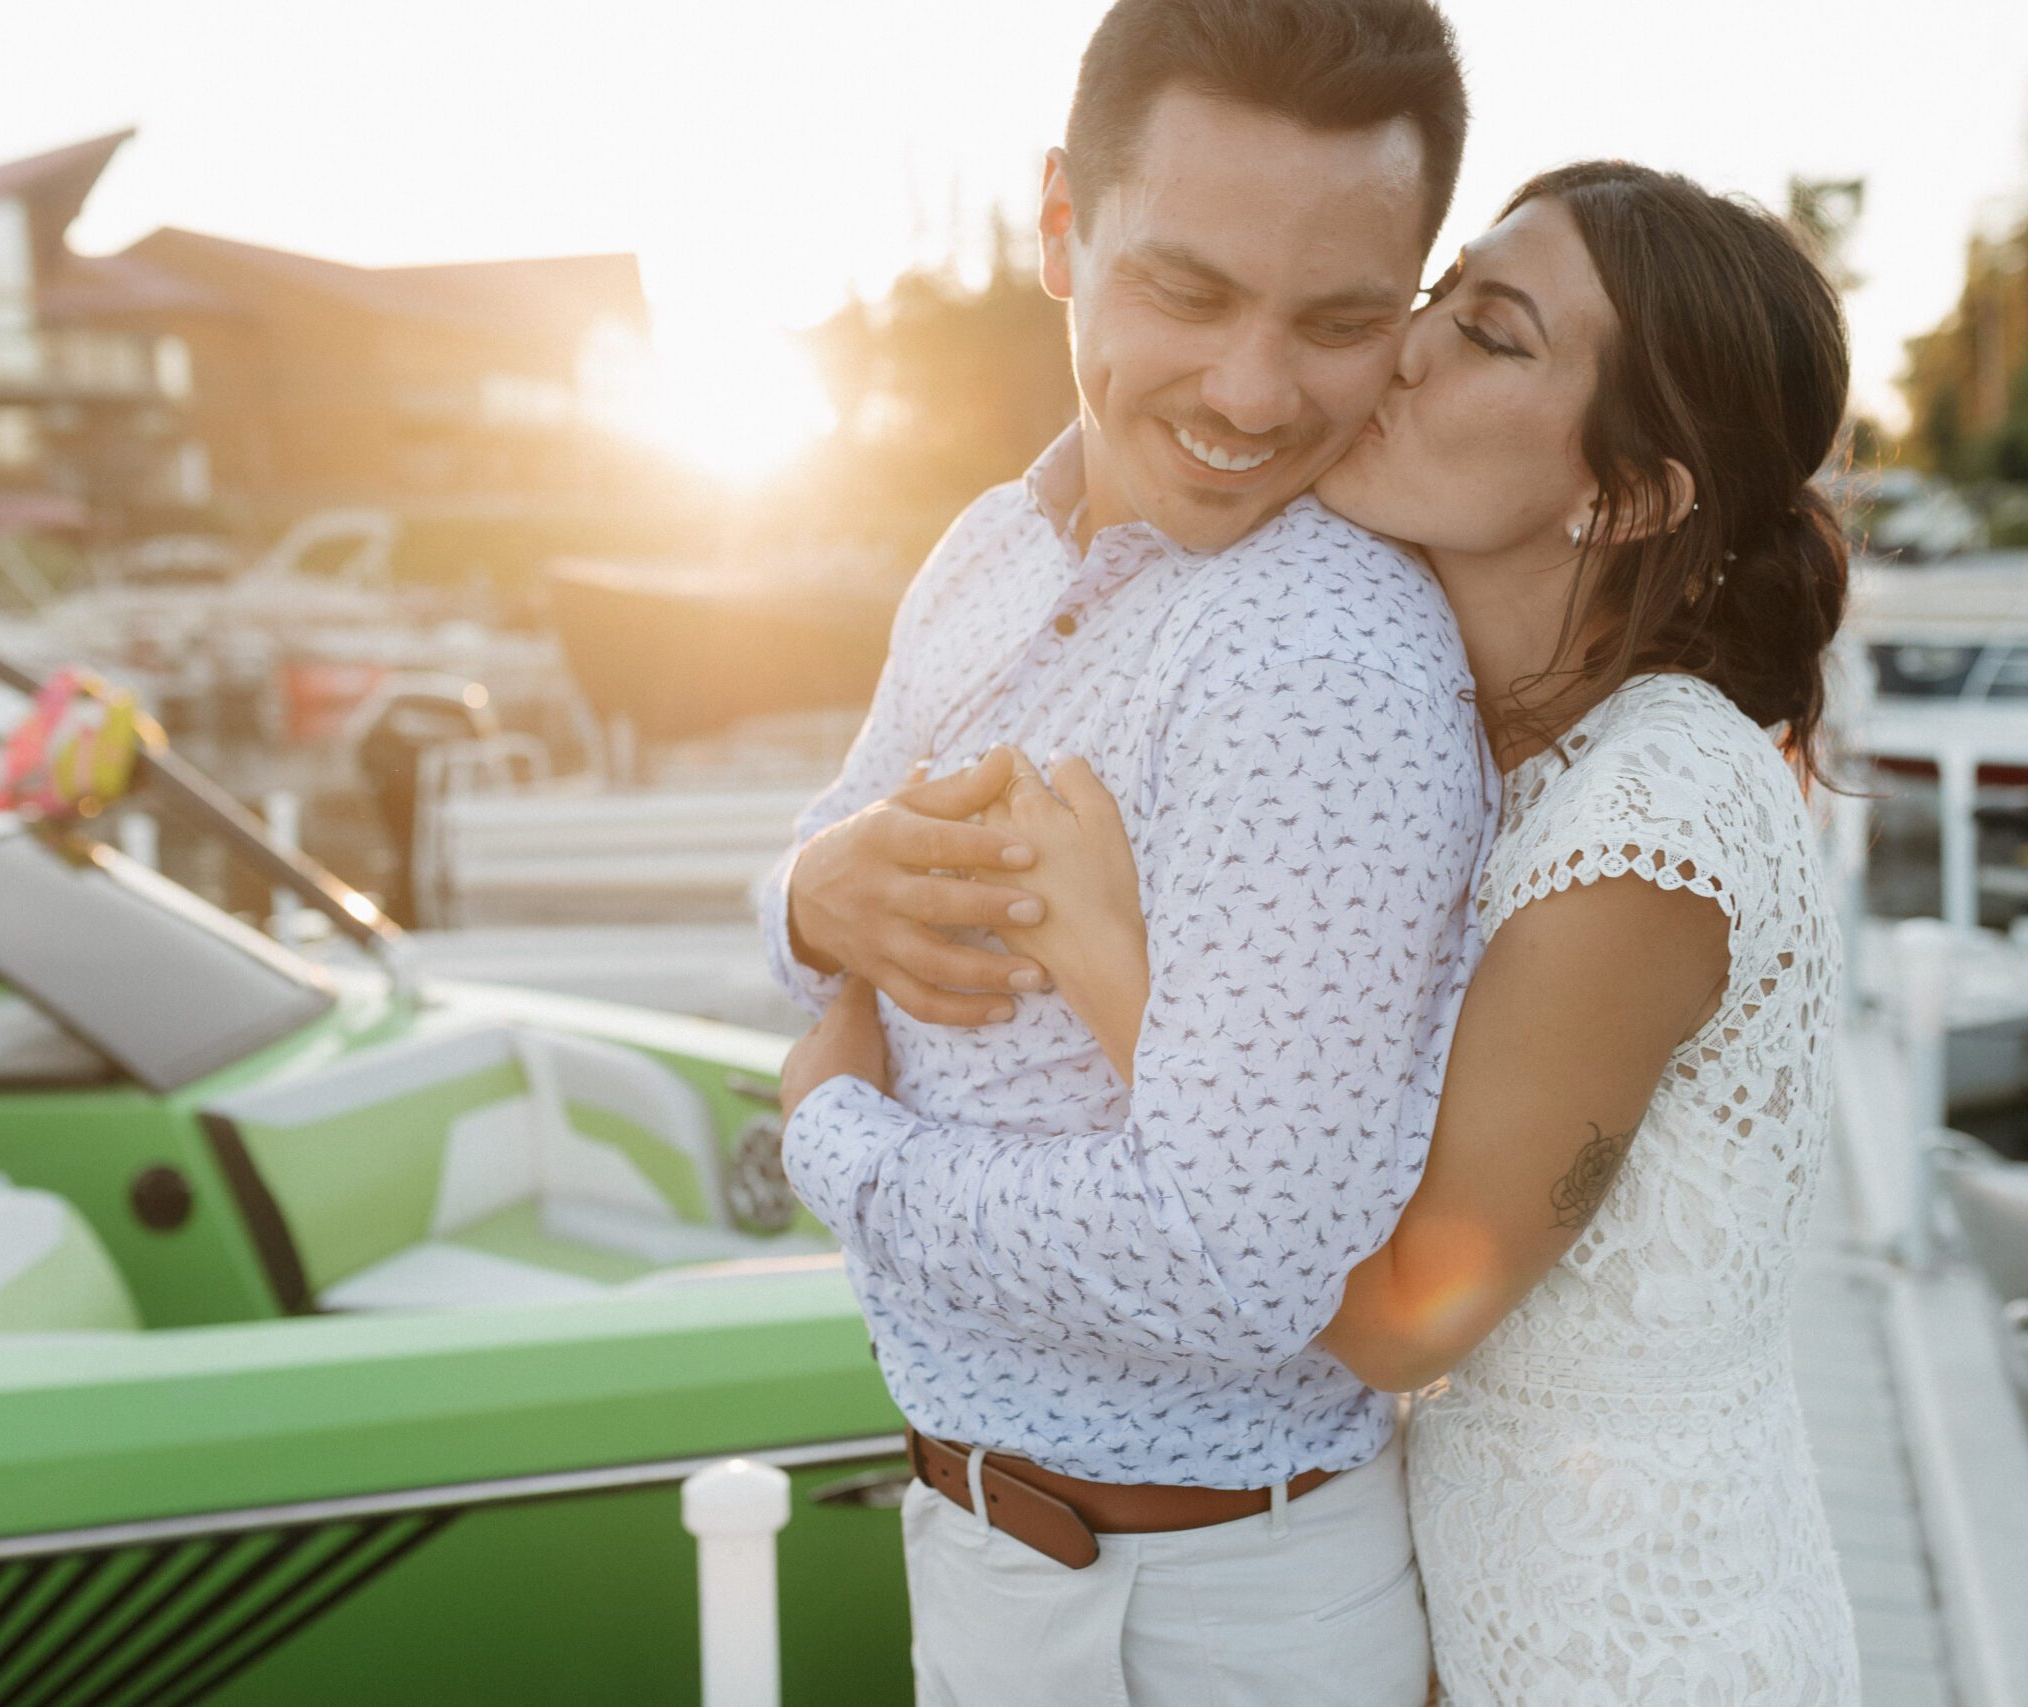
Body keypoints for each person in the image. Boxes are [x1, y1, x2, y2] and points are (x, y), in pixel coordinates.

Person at [903, 162, 1867, 1702]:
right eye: (1436, 300)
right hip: (1480, 1607)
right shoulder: (1484, 749)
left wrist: (1105, 951)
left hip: (1645, 1648)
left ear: (1623, 493)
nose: (1403, 351)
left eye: (1490, 332)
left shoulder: (1658, 810)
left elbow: (1410, 1311)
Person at [767, 2, 1486, 1703]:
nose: (1251, 390)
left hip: (1212, 1612)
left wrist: (835, 1145)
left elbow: (1240, 1264)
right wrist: (801, 896)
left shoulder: (1320, 665)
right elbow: (828, 880)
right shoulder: (988, 548)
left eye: (1338, 321)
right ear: (1058, 229)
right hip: (994, 1558)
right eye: (1187, 291)